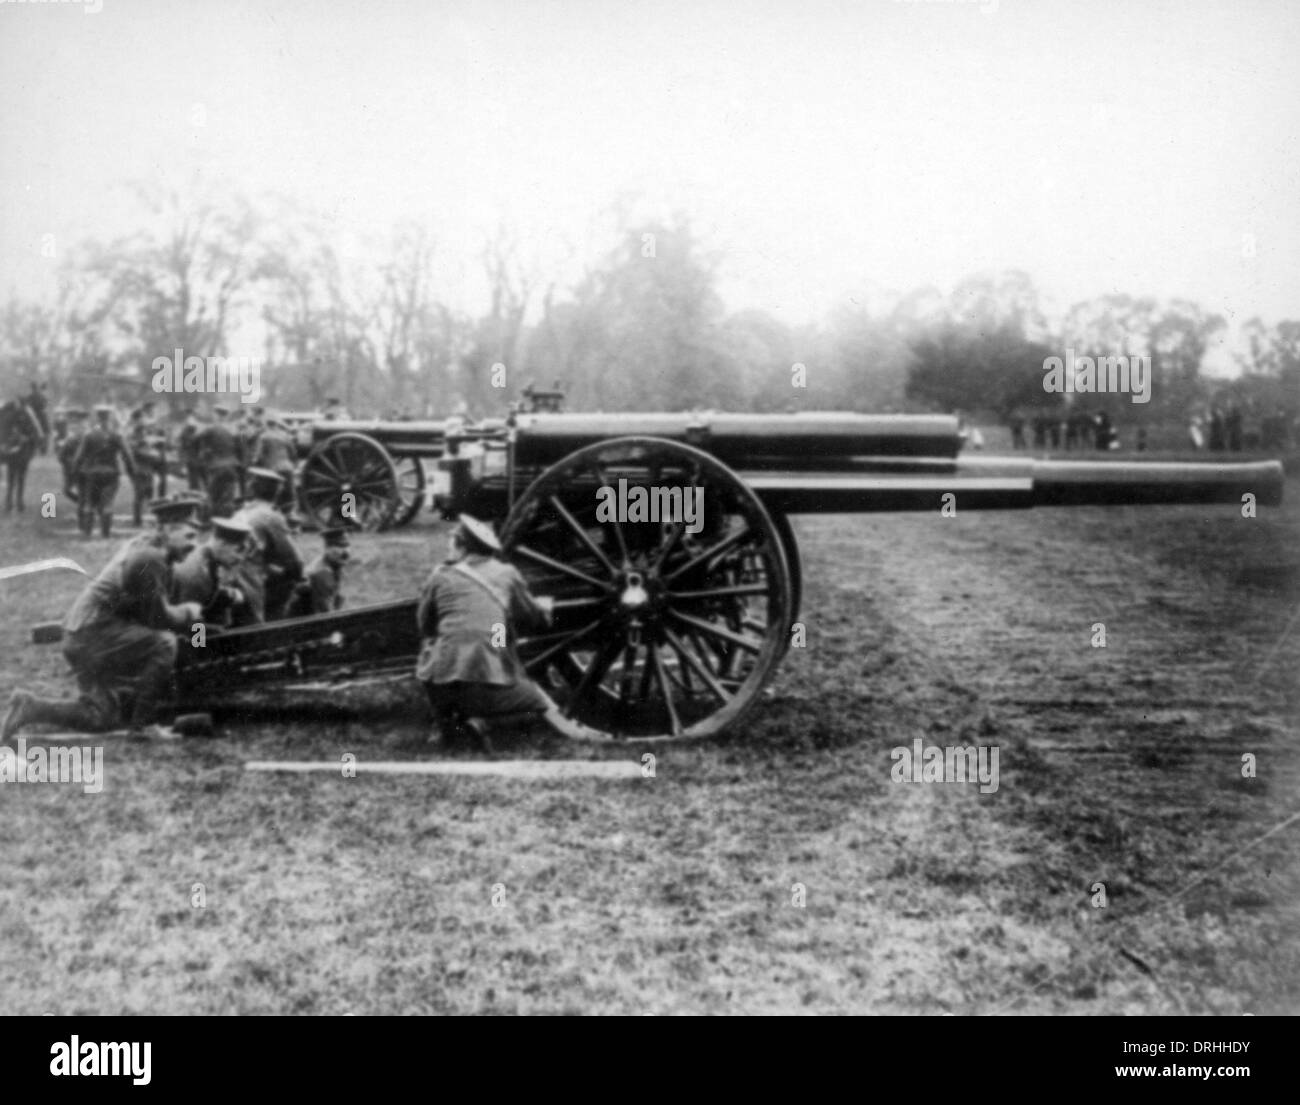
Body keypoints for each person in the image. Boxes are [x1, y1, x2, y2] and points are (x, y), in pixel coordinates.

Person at [1, 497, 205, 740]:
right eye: (189, 536)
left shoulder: (150, 549)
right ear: (167, 530)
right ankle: (144, 726)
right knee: (165, 643)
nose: (195, 545)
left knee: (100, 717)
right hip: (94, 635)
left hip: (87, 633)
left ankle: (30, 706)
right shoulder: (150, 558)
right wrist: (192, 616)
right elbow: (160, 617)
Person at [415, 515, 557, 750]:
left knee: (431, 649)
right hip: (491, 677)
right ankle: (477, 717)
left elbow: (425, 625)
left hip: (442, 679)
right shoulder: (507, 573)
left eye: (452, 541)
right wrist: (544, 609)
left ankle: (451, 721)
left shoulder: (439, 576)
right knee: (535, 697)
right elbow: (531, 615)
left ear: (461, 545)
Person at [232, 468, 304, 623]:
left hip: (228, 576)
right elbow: (295, 563)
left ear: (253, 488)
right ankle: (276, 625)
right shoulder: (270, 516)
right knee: (291, 583)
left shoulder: (240, 512)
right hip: (248, 582)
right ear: (277, 492)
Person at [171, 516, 252, 627]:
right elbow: (193, 626)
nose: (241, 558)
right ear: (222, 544)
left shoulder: (208, 556)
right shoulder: (197, 573)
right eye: (238, 550)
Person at [71, 405, 136, 538]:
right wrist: (132, 471)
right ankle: (105, 534)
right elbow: (127, 455)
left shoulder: (89, 435)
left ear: (97, 417)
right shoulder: (116, 435)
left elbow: (78, 457)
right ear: (110, 417)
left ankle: (87, 533)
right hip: (111, 473)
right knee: (107, 503)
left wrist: (75, 472)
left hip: (91, 473)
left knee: (89, 503)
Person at [284, 526, 350, 617]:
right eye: (340, 546)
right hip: (298, 625)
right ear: (327, 548)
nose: (346, 551)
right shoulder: (321, 574)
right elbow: (325, 617)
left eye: (347, 546)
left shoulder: (334, 566)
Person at [194, 404, 241, 517]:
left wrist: (204, 453)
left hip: (216, 467)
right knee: (229, 497)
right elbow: (240, 448)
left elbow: (195, 440)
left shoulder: (210, 428)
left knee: (213, 496)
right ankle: (227, 523)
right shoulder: (234, 430)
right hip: (232, 466)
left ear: (215, 415)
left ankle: (212, 522)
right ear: (226, 416)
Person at [251, 416, 298, 518]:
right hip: (287, 467)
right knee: (289, 492)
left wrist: (254, 465)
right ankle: (290, 515)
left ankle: (272, 516)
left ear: (267, 424)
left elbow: (258, 456)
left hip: (272, 469)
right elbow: (293, 452)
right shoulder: (285, 435)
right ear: (277, 424)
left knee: (272, 493)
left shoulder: (264, 436)